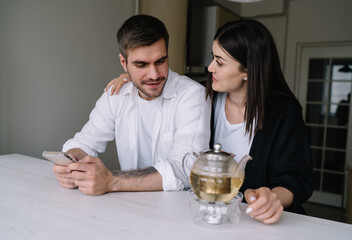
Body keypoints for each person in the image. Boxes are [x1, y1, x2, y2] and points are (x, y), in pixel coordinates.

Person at [106, 19, 313, 224]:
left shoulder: (283, 112)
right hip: (210, 218)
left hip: (259, 222)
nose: (210, 67)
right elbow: (163, 89)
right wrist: (131, 81)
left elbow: (295, 178)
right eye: (212, 57)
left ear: (248, 70)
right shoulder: (203, 97)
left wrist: (273, 197)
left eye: (220, 62)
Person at [53, 15, 211, 196]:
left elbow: (188, 169)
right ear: (123, 63)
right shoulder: (116, 94)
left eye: (160, 61)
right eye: (141, 64)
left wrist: (111, 180)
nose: (154, 74)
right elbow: (85, 142)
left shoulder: (193, 95)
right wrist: (72, 162)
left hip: (178, 209)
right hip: (128, 207)